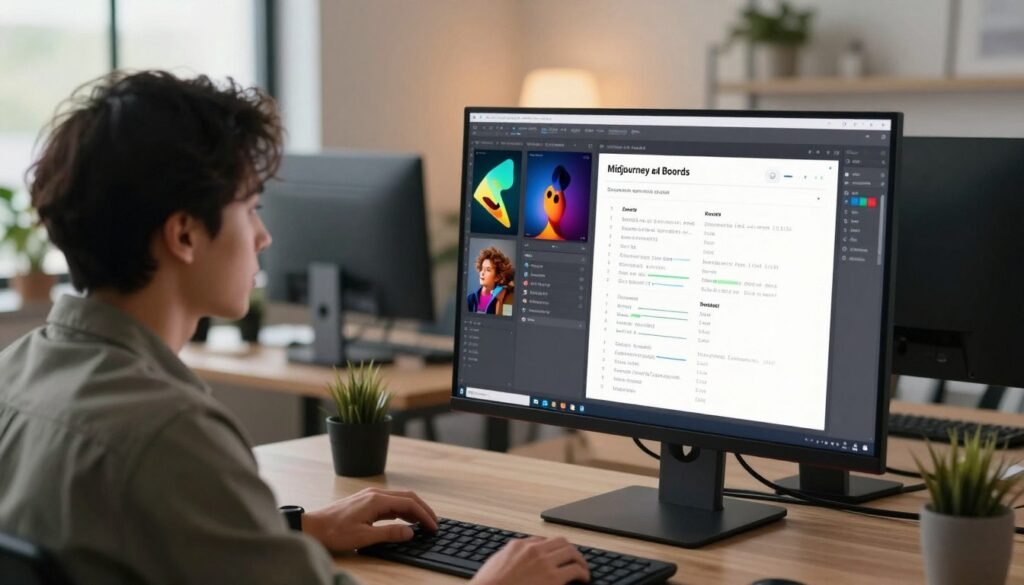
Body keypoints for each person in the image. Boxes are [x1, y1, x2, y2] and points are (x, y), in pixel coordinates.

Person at [0, 71, 589, 585]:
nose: (264, 236)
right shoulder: (170, 431)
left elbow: (127, 533)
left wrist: (295, 528)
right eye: (251, 207)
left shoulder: (17, 371)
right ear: (183, 235)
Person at [466, 246, 515, 315]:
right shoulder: (470, 299)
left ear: (497, 277)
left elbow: (506, 320)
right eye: (482, 268)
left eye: (488, 270)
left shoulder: (505, 297)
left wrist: (500, 302)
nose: (482, 273)